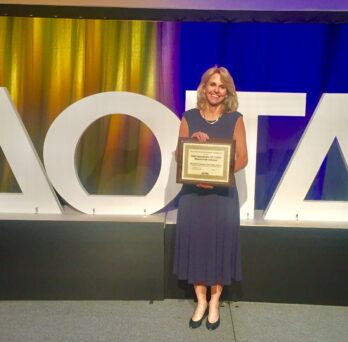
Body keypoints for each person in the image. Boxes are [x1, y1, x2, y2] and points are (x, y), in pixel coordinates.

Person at [173, 66, 248, 330]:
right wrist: (192, 141)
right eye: (212, 84)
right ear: (204, 87)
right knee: (197, 244)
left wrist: (219, 175)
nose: (216, 90)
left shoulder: (235, 118)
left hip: (222, 196)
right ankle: (201, 301)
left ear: (227, 91)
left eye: (221, 86)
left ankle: (215, 300)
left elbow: (242, 158)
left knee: (219, 245)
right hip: (193, 195)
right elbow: (180, 155)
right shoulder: (189, 117)